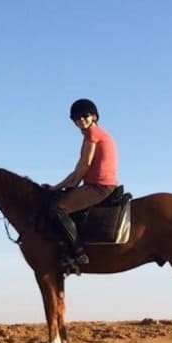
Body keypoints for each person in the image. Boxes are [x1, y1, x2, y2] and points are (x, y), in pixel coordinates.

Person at [48, 98, 119, 269]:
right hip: (97, 184)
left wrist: (68, 186)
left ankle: (78, 252)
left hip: (99, 186)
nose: (81, 119)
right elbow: (79, 169)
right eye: (76, 117)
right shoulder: (97, 133)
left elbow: (84, 165)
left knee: (57, 208)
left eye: (85, 115)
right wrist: (56, 187)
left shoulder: (93, 133)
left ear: (94, 116)